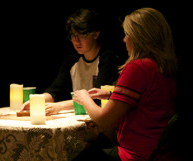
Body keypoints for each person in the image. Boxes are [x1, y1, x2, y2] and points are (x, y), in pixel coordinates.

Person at [72, 8, 178, 160]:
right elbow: (149, 99)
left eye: (127, 34)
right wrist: (111, 94)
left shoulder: (137, 68)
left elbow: (104, 120)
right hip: (161, 152)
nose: (124, 40)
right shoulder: (164, 65)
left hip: (137, 155)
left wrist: (84, 98)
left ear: (139, 37)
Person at [21, 9, 118, 115]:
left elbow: (98, 98)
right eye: (73, 35)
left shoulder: (108, 58)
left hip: (102, 118)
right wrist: (37, 100)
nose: (76, 41)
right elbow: (55, 91)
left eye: (82, 35)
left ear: (95, 34)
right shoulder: (72, 61)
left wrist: (59, 106)